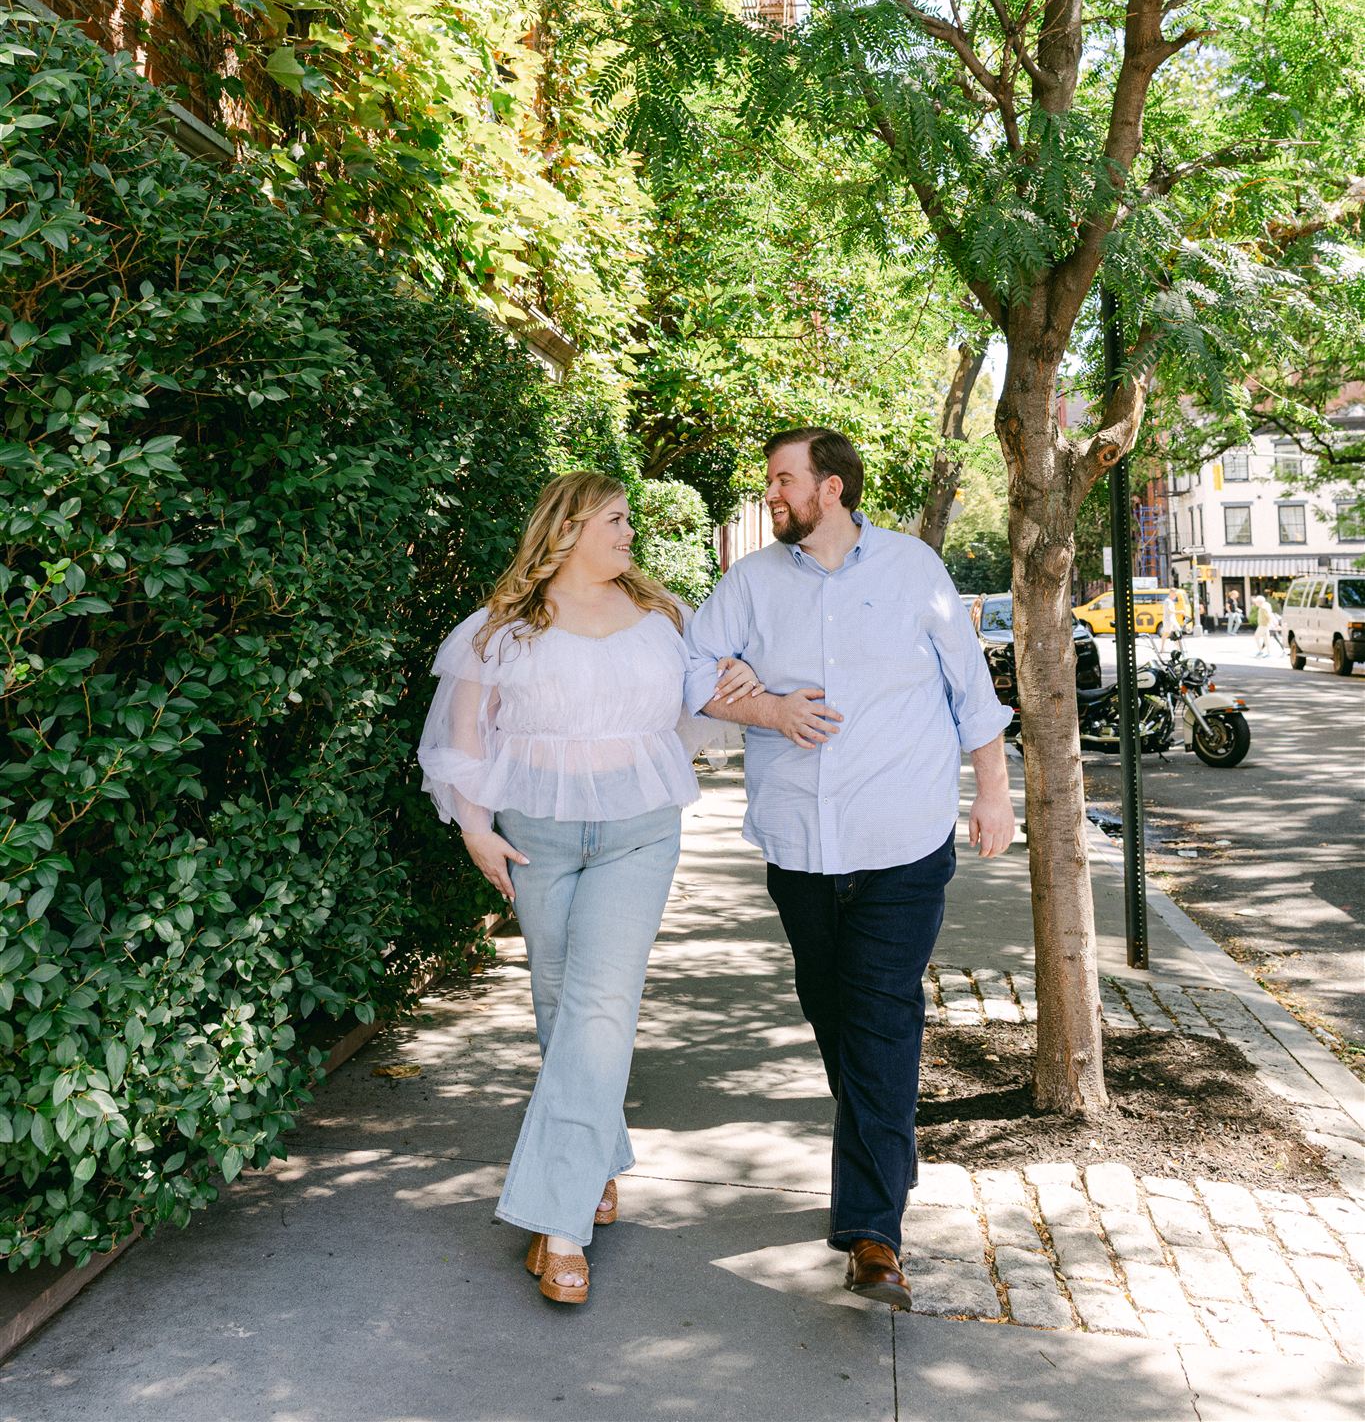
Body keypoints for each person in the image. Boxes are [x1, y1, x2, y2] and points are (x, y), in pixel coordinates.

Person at [684, 428, 1016, 1309]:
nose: (770, 495)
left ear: (829, 489)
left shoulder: (912, 569)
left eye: (782, 481)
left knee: (879, 1017)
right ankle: (882, 1147)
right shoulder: (751, 583)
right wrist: (763, 707)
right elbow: (686, 670)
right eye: (768, 483)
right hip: (798, 845)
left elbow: (967, 690)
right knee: (835, 1017)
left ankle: (873, 1234)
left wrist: (994, 794)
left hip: (902, 839)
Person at [416, 471, 756, 1306]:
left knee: (601, 1003)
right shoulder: (499, 634)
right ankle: (594, 1158)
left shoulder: (664, 620)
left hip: (640, 828)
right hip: (535, 833)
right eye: (615, 519)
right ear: (565, 529)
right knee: (560, 999)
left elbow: (700, 708)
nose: (629, 532)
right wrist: (473, 828)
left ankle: (557, 1221)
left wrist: (744, 685)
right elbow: (460, 741)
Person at [1252, 591, 1279, 657]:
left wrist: (1274, 624)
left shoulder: (1263, 608)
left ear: (1259, 602)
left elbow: (1269, 616)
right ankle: (1268, 653)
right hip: (1265, 625)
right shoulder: (1264, 606)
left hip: (1263, 625)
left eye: (1256, 602)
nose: (1255, 603)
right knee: (1266, 639)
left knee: (1257, 636)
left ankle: (1261, 651)